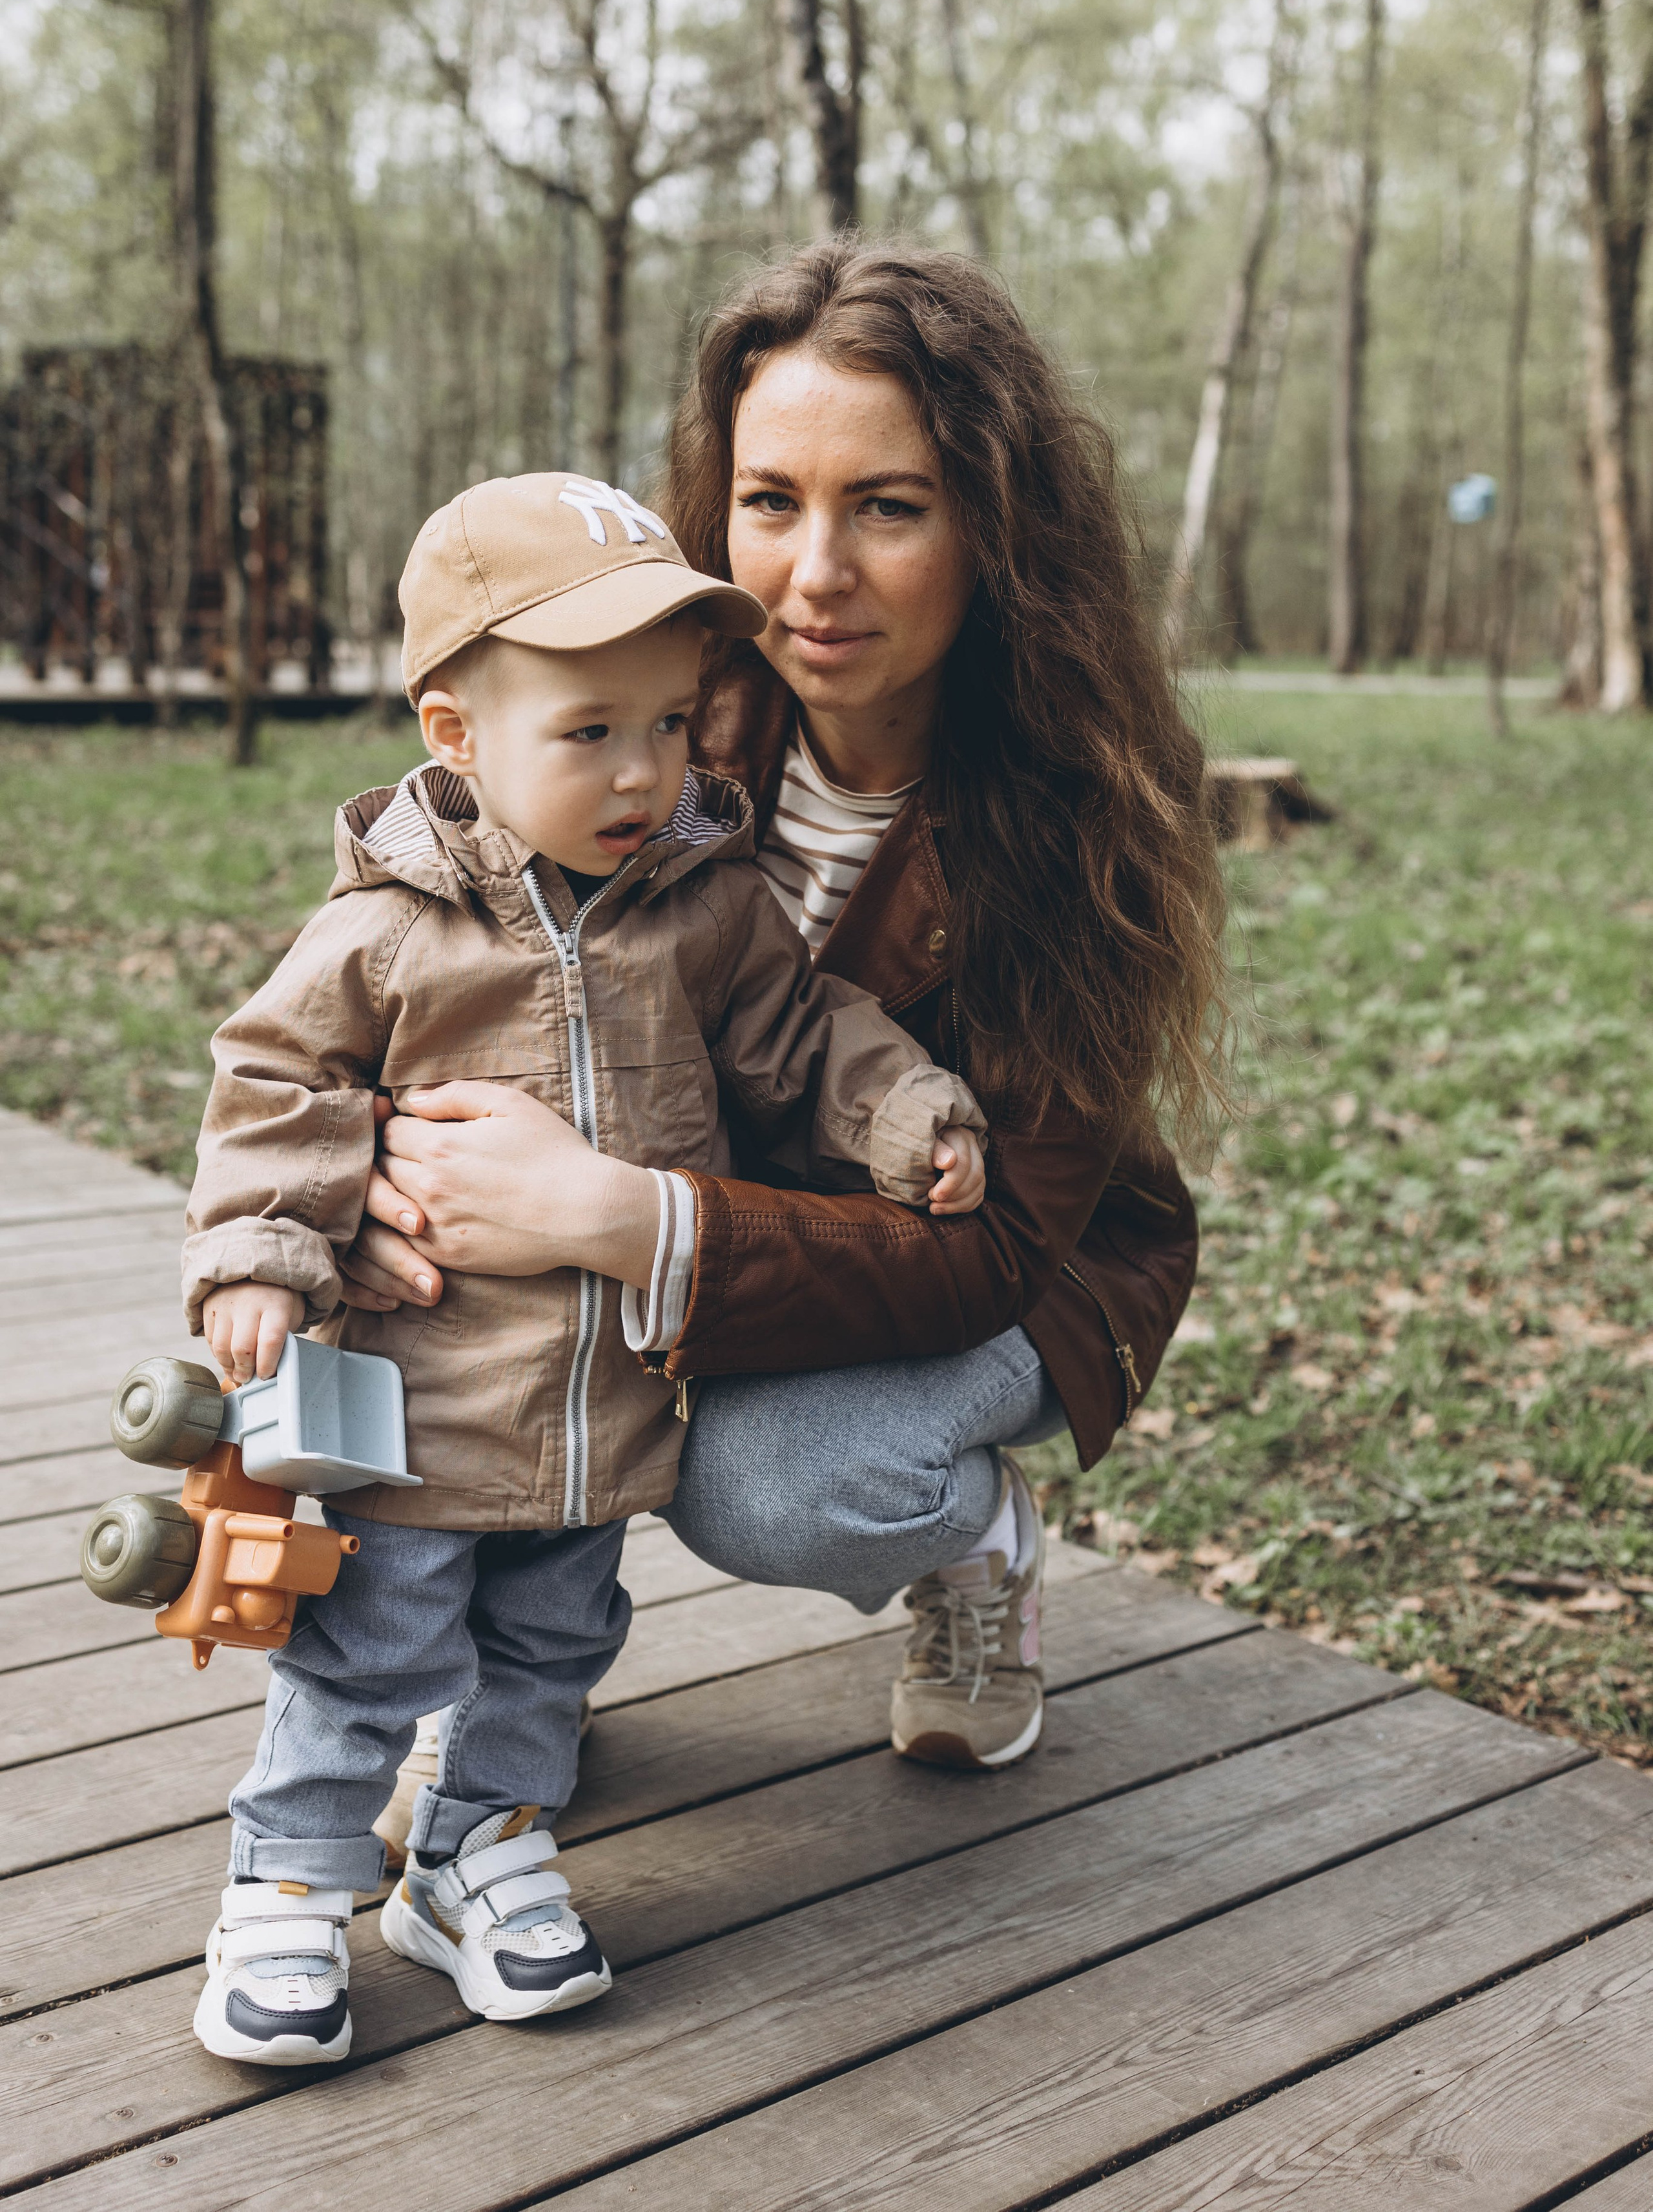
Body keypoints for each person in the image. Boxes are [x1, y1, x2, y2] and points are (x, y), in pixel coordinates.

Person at [346, 242, 1228, 1841]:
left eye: (887, 507)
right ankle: (507, 1681)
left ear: (992, 529)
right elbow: (448, 951)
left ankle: (975, 1545)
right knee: (456, 1302)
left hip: (1027, 1260)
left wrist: (617, 1219)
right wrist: (402, 1178)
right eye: (770, 502)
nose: (810, 573)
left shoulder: (1077, 814)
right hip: (725, 1205)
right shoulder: (657, 720)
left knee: (771, 1482)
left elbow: (985, 1250)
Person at [181, 468, 989, 2067]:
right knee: (369, 1653)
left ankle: (480, 1849)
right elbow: (279, 1089)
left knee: (553, 1648)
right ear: (455, 734)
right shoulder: (387, 930)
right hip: (417, 1406)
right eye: (586, 733)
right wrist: (265, 1258)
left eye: (670, 727)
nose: (641, 772)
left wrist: (904, 1111)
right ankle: (284, 1878)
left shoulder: (704, 908)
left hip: (603, 1404)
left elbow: (803, 1037)